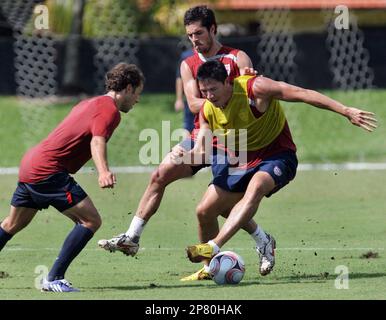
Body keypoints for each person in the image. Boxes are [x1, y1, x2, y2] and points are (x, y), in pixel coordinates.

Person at [98, 5, 269, 282]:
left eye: (199, 33)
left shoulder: (237, 58)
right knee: (160, 174)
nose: (194, 39)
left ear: (213, 29)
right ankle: (132, 237)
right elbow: (192, 103)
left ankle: (262, 240)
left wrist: (242, 90)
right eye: (189, 34)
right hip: (199, 137)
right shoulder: (188, 63)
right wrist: (227, 98)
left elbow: (251, 97)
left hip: (233, 140)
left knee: (219, 206)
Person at [183, 60, 377, 275]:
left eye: (213, 89)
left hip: (277, 155)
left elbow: (301, 93)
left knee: (255, 189)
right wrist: (185, 156)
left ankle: (213, 246)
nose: (209, 96)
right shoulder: (207, 110)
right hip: (242, 160)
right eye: (204, 91)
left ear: (227, 82)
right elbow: (202, 149)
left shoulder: (255, 88)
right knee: (205, 211)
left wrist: (345, 110)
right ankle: (215, 267)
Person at [0, 63, 144, 292]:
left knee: (12, 224)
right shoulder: (110, 110)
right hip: (48, 170)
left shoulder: (89, 102)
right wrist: (104, 171)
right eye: (137, 93)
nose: (137, 100)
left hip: (31, 164)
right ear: (128, 88)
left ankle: (53, 277)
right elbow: (97, 140)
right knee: (91, 220)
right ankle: (54, 278)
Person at [174, 48, 195, 134]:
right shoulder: (187, 56)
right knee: (188, 129)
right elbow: (179, 78)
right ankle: (186, 146)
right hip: (190, 99)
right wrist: (179, 99)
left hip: (208, 101)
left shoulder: (214, 55)